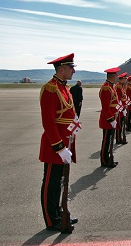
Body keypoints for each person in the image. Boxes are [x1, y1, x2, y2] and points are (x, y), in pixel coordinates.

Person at [39, 53, 79, 231]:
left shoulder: (64, 87)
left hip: (65, 141)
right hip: (54, 144)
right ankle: (51, 219)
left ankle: (60, 213)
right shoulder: (51, 89)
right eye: (71, 68)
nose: (74, 71)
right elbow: (48, 121)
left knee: (60, 181)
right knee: (51, 182)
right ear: (61, 69)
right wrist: (59, 147)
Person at [99, 67, 120, 168]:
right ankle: (104, 160)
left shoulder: (111, 86)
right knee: (106, 140)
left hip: (112, 116)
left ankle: (109, 158)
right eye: (116, 75)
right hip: (108, 118)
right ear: (113, 76)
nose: (117, 77)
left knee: (110, 139)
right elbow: (105, 106)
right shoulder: (106, 88)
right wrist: (111, 119)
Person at [114, 72, 128, 144]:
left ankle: (120, 137)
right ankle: (118, 139)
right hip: (120, 109)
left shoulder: (122, 86)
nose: (126, 80)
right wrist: (121, 108)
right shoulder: (118, 87)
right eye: (125, 78)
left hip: (123, 108)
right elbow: (118, 99)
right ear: (122, 79)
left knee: (122, 124)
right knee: (119, 124)